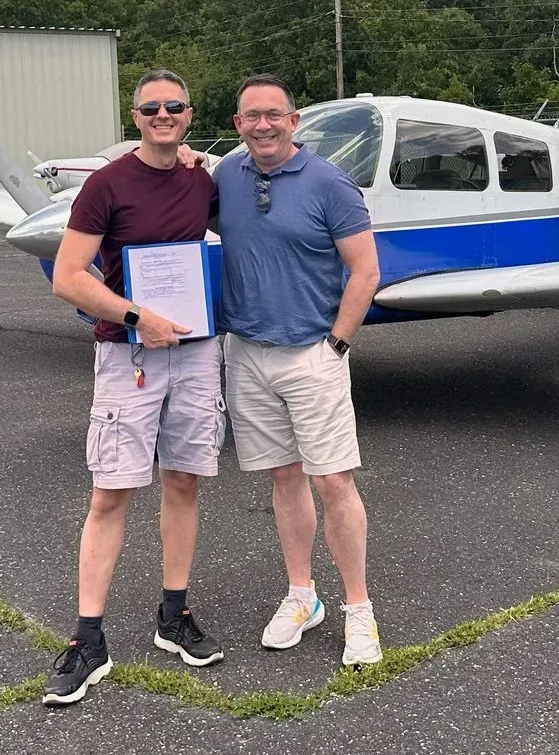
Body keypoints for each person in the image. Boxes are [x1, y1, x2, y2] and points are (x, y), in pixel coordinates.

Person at [42, 69, 224, 705]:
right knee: (111, 492)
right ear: (135, 116)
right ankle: (87, 638)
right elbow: (68, 276)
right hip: (130, 355)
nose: (164, 115)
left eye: (175, 106)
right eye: (152, 108)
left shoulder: (204, 179)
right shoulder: (105, 184)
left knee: (184, 480)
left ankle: (174, 614)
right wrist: (135, 316)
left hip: (198, 352)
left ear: (189, 113)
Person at [215, 75, 384, 666]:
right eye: (250, 117)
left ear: (295, 119)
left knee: (333, 481)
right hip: (246, 352)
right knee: (284, 479)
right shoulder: (225, 177)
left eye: (274, 115)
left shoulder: (330, 183)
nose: (262, 125)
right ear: (237, 124)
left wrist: (337, 344)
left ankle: (358, 610)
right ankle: (301, 596)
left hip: (313, 353)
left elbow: (365, 272)